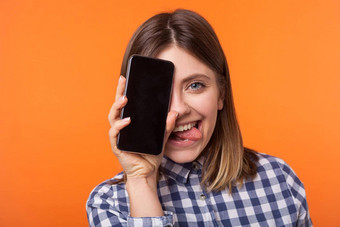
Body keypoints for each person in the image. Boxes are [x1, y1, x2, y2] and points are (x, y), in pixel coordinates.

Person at [86, 9, 312, 226]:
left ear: (221, 93)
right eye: (159, 91)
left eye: (195, 85)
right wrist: (141, 181)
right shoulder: (109, 204)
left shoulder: (279, 179)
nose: (179, 109)